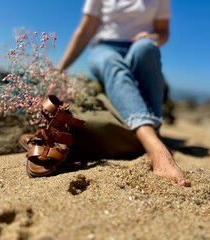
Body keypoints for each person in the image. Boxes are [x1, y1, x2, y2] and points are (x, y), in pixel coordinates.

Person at [58, 0, 190, 187]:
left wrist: (152, 37)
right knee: (112, 62)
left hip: (138, 46)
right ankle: (156, 147)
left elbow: (163, 32)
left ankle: (154, 132)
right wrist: (61, 68)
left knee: (147, 48)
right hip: (105, 48)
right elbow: (85, 30)